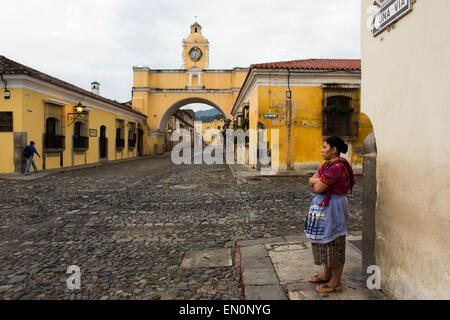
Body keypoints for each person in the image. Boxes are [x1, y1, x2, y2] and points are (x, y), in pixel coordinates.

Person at [304, 136, 355, 293]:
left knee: (335, 241)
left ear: (334, 150)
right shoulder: (327, 166)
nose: (322, 149)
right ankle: (327, 274)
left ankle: (335, 282)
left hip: (334, 208)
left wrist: (316, 181)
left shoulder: (336, 168)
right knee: (326, 241)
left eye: (325, 147)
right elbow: (311, 180)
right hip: (327, 207)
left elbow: (318, 187)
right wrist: (316, 180)